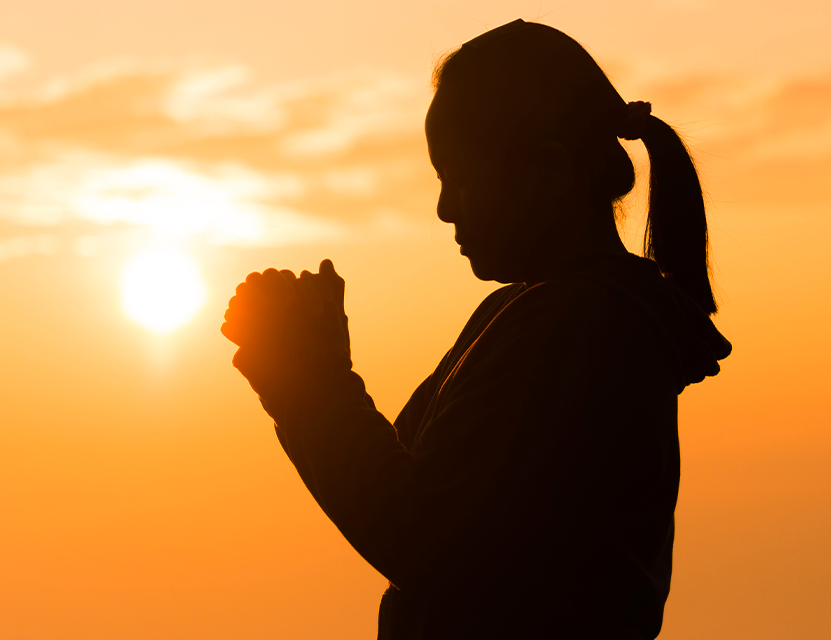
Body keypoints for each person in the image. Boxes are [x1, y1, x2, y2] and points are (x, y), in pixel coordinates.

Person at [221, 19, 733, 639]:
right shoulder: (541, 314)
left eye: (456, 178)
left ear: (547, 172)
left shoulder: (578, 327)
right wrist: (309, 362)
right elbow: (411, 481)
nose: (443, 209)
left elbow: (423, 537)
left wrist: (309, 379)